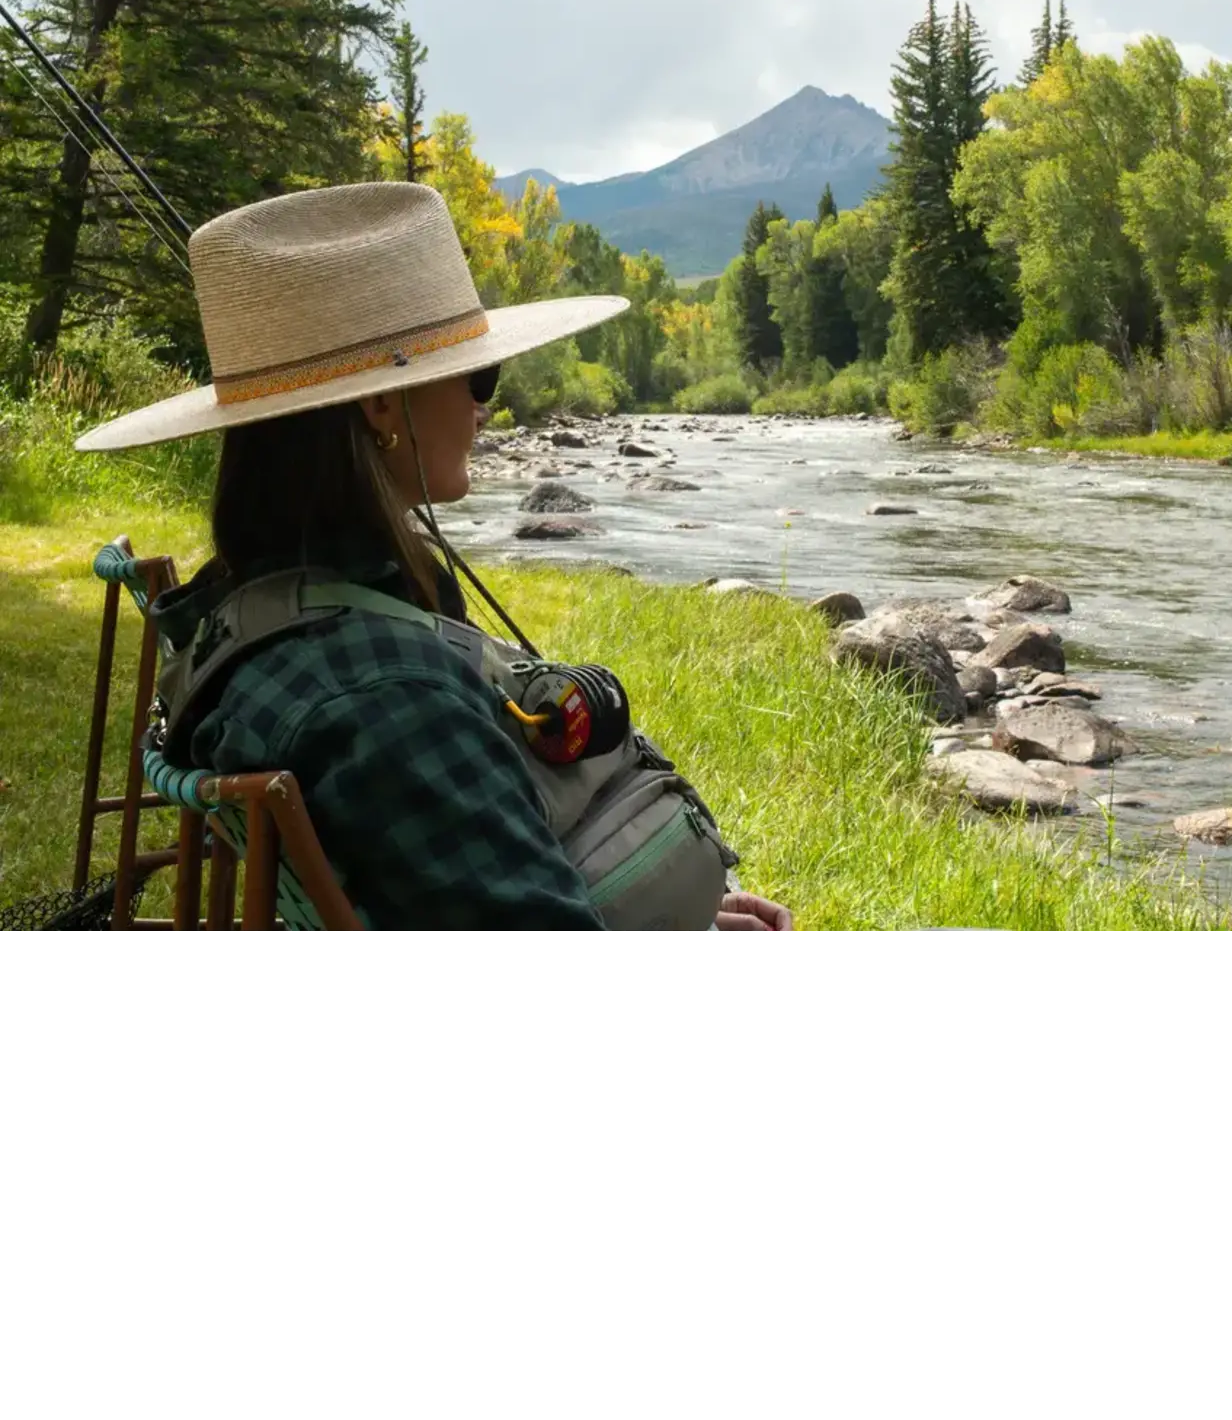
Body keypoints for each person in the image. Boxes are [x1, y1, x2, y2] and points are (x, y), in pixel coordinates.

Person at [78, 180, 795, 934]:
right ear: (382, 407)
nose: (485, 404)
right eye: (477, 375)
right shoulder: (389, 701)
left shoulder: (245, 612)